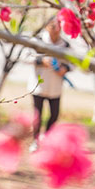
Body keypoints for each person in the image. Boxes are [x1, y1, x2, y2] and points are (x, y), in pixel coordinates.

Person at [30, 17, 71, 150]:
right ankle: (35, 141)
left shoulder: (65, 45)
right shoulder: (38, 40)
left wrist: (65, 69)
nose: (56, 30)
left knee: (54, 115)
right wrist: (42, 61)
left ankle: (46, 139)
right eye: (53, 26)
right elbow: (26, 56)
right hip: (39, 85)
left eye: (59, 26)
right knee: (38, 115)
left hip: (55, 87)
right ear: (47, 26)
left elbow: (73, 63)